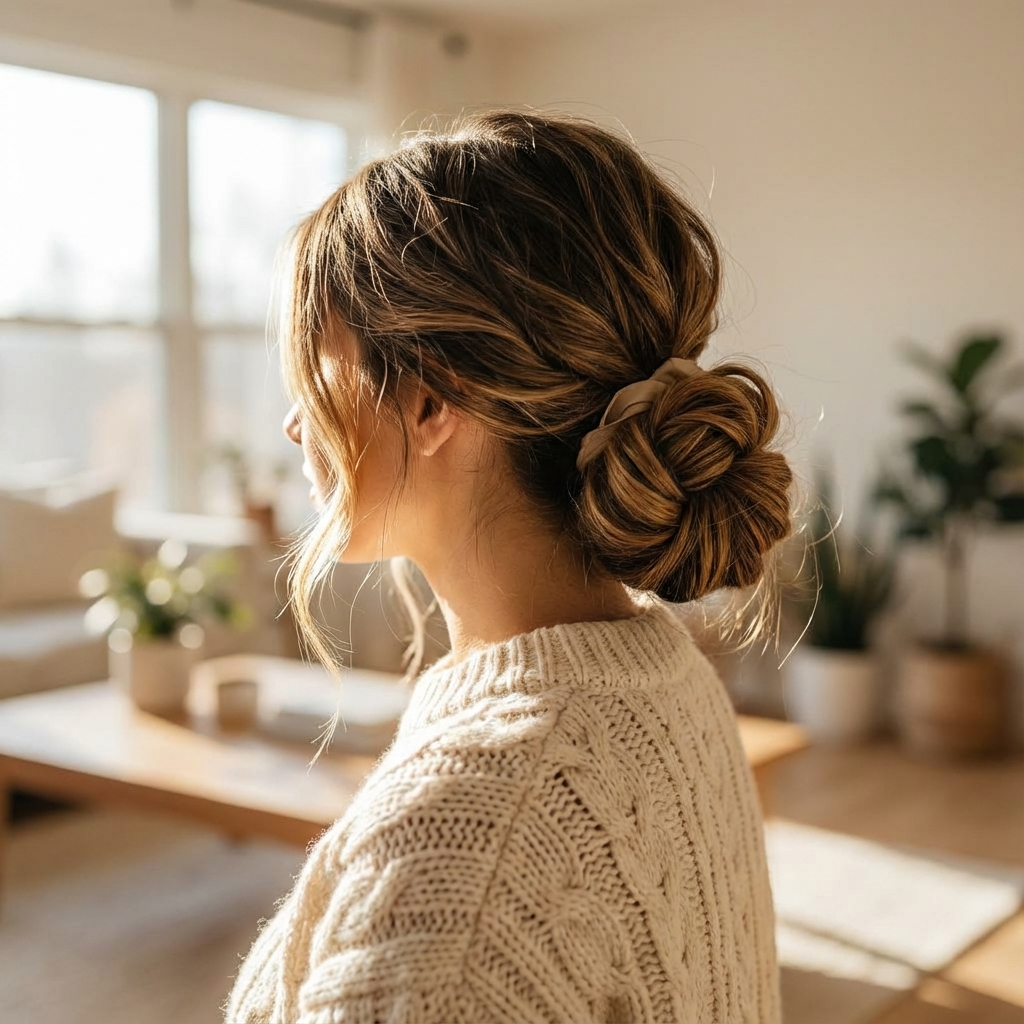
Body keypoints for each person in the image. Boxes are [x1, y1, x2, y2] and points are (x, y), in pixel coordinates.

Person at [227, 110, 792, 1024]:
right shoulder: (664, 677)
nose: (295, 424)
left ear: (428, 397)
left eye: (313, 368)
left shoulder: (467, 852)